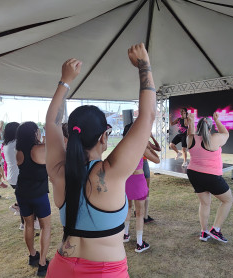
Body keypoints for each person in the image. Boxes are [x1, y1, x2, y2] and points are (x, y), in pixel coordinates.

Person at [45, 43, 156, 277]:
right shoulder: (112, 172)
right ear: (104, 136)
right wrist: (143, 65)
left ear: (70, 135)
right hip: (104, 271)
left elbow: (51, 123)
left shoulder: (58, 172)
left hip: (60, 267)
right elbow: (147, 116)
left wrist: (65, 81)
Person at [186, 112, 233, 243]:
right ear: (210, 128)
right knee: (227, 200)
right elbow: (226, 134)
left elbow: (190, 132)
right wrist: (217, 121)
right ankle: (215, 229)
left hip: (194, 174)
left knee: (204, 203)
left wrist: (190, 121)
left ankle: (204, 232)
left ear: (198, 126)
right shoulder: (215, 138)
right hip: (211, 176)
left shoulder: (191, 138)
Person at [15, 121, 51, 276]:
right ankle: (42, 263)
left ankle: (32, 255)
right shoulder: (39, 149)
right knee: (45, 226)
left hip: (22, 192)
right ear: (34, 133)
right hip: (39, 194)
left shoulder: (19, 151)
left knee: (28, 225)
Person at [122, 123, 160, 252]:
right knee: (139, 213)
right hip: (138, 181)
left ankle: (125, 234)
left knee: (127, 208)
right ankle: (139, 243)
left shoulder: (122, 146)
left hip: (126, 179)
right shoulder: (140, 146)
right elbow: (157, 160)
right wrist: (149, 147)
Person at [143, 134, 161, 223]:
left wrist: (152, 137)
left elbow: (159, 148)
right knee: (146, 190)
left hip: (143, 163)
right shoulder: (144, 142)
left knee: (143, 190)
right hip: (142, 164)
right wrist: (149, 148)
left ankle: (141, 213)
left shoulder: (146, 141)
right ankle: (144, 215)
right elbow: (157, 160)